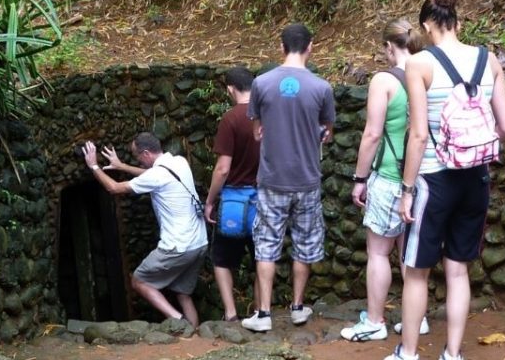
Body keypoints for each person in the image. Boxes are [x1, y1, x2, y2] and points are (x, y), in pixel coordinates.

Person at [386, 0, 505, 360]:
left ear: (426, 25)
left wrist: (406, 189)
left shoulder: (419, 64)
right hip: (475, 178)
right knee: (458, 271)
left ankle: (408, 357)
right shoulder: (488, 59)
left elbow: (419, 135)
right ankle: (453, 359)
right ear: (458, 22)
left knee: (416, 271)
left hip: (432, 180)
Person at [241, 23, 336, 332]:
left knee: (267, 244)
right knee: (304, 244)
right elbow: (327, 133)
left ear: (281, 47)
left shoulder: (261, 83)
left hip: (271, 179)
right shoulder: (322, 87)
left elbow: (256, 131)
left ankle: (264, 314)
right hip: (307, 179)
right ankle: (297, 307)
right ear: (310, 47)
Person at [342, 19, 430, 341]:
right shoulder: (429, 72)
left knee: (379, 252)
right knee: (411, 253)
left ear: (389, 47)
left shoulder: (384, 80)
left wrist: (360, 177)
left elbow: (372, 133)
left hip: (391, 174)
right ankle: (415, 318)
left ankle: (375, 321)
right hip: (422, 178)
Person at [82, 133, 207, 326]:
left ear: (146, 153)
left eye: (137, 156)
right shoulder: (179, 162)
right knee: (182, 293)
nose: (137, 161)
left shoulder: (157, 175)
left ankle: (178, 321)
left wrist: (93, 166)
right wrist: (122, 166)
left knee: (139, 281)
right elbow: (151, 177)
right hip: (199, 243)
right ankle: (197, 335)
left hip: (178, 246)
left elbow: (114, 188)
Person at [204, 67, 260, 321]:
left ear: (230, 88)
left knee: (223, 259)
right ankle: (262, 310)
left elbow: (223, 167)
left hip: (235, 201)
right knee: (262, 257)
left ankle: (230, 313)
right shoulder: (266, 116)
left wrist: (210, 200)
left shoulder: (231, 119)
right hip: (264, 199)